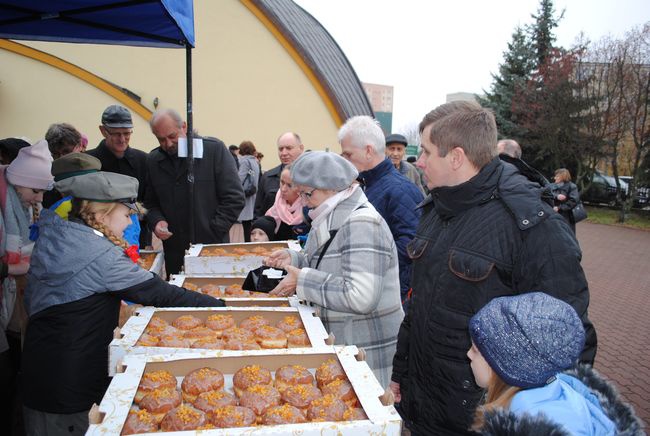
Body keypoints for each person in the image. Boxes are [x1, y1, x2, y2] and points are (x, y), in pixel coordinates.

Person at [390, 101, 597, 435]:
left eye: (426, 152)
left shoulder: (531, 223)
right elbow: (419, 306)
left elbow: (570, 337)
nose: (420, 161)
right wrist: (401, 373)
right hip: (423, 405)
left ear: (456, 156)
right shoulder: (435, 208)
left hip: (482, 418)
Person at [21, 171, 225, 435]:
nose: (129, 223)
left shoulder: (62, 235)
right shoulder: (95, 253)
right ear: (102, 215)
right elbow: (157, 292)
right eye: (127, 215)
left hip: (45, 367)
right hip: (68, 384)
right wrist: (219, 304)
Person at [265, 152, 404, 386]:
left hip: (364, 350)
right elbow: (326, 261)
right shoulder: (332, 213)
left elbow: (360, 296)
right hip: (347, 344)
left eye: (307, 194)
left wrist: (303, 280)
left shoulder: (362, 223)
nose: (304, 202)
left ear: (332, 188)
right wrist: (294, 260)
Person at [468, 292, 641, 435]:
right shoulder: (558, 392)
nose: (468, 354)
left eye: (476, 350)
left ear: (503, 365)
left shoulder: (526, 424)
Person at [145, 109, 245, 276]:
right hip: (175, 252)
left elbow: (234, 197)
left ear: (184, 127)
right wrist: (156, 221)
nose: (168, 144)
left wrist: (213, 229)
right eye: (161, 139)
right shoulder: (154, 161)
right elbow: (149, 202)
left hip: (211, 249)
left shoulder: (213, 151)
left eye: (172, 136)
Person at [339, 117, 423, 309]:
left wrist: (366, 267)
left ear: (368, 151)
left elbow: (411, 245)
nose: (344, 160)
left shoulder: (400, 190)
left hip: (388, 294)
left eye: (348, 154)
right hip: (369, 288)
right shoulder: (367, 184)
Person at [0, 139, 53, 436]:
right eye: (35, 190)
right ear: (20, 182)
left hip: (14, 298)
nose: (38, 198)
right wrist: (12, 268)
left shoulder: (26, 203)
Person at [87, 105, 150, 248]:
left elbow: (149, 202)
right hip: (97, 241)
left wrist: (147, 242)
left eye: (127, 133)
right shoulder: (89, 162)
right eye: (116, 134)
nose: (122, 139)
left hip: (137, 238)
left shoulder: (143, 160)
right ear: (103, 131)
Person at [254, 132, 304, 218]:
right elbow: (258, 212)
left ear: (301, 148)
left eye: (289, 148)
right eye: (281, 149)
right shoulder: (267, 177)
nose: (284, 153)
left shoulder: (310, 178)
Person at [43, 123, 85, 208]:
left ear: (80, 145)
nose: (61, 158)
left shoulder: (93, 171)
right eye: (55, 154)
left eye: (67, 152)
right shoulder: (45, 179)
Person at [264, 167, 307, 241]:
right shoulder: (272, 197)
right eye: (282, 182)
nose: (283, 189)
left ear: (301, 187)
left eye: (290, 185)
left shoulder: (309, 206)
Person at [237, 141, 260, 241]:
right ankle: (249, 241)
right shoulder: (255, 161)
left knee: (246, 223)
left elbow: (240, 178)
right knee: (248, 222)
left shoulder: (245, 161)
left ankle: (247, 242)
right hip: (252, 193)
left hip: (245, 194)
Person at [551, 168, 580, 233]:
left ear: (563, 177)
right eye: (555, 176)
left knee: (565, 235)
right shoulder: (552, 186)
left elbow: (573, 201)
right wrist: (556, 196)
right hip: (552, 215)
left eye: (557, 176)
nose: (555, 178)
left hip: (566, 217)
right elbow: (546, 194)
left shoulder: (572, 187)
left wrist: (559, 208)